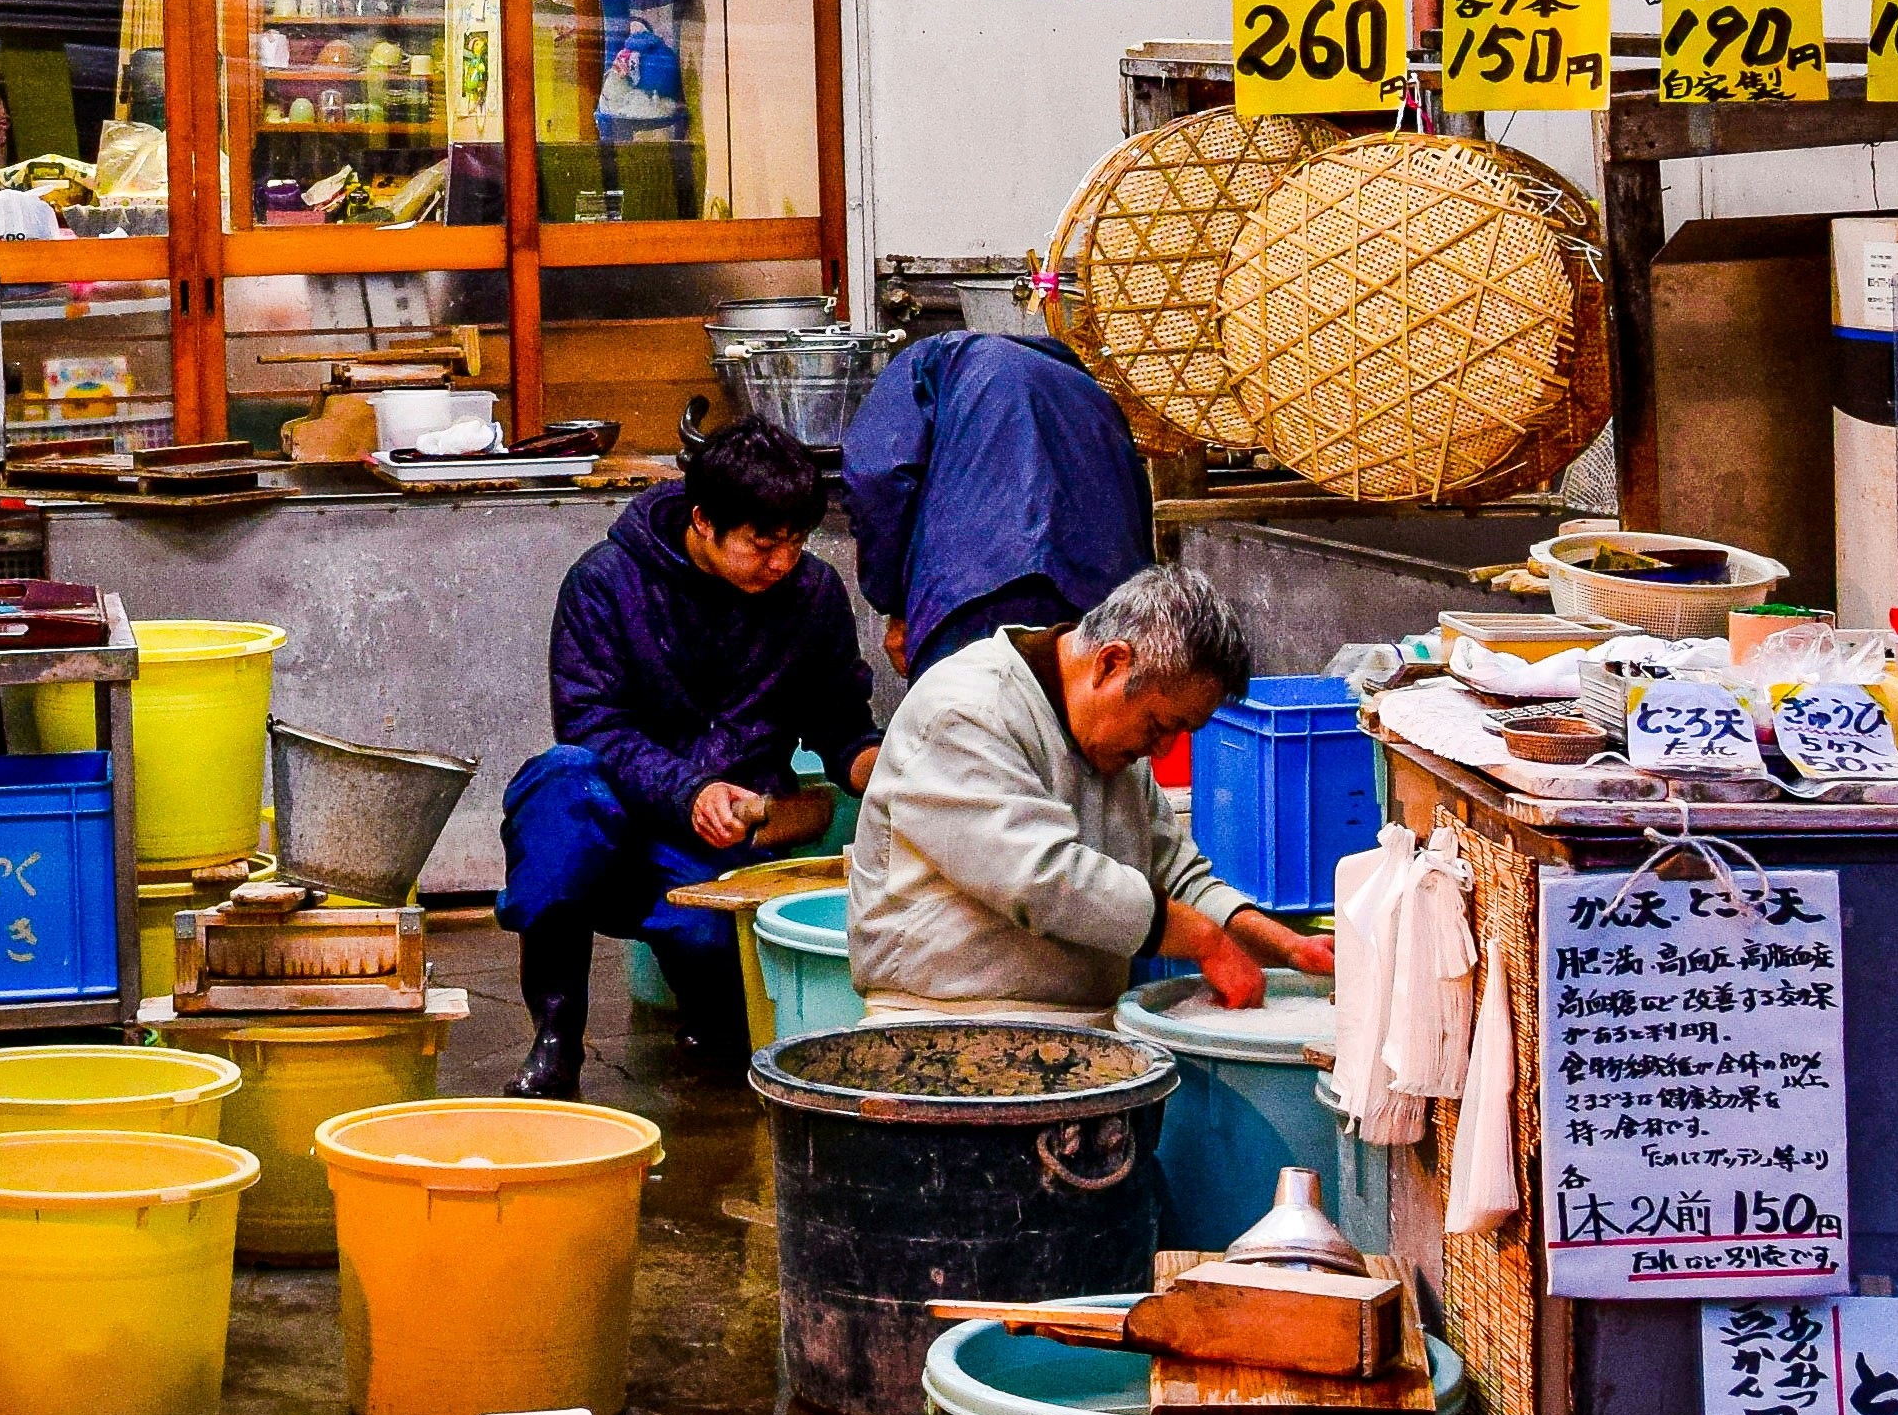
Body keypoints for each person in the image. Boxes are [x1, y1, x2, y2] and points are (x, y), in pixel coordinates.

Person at [502, 418, 877, 1096]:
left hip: (725, 842)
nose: (783, 561)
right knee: (559, 786)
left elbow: (840, 722)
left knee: (724, 1023)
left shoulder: (812, 595)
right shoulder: (605, 582)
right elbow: (593, 724)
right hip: (615, 820)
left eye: (797, 541)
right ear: (703, 520)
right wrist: (690, 790)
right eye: (763, 543)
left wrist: (879, 765)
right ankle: (556, 1038)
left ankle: (712, 1020)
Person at [845, 560, 1327, 1017]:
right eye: (1160, 725)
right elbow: (1039, 878)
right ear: (1111, 663)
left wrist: (1287, 946)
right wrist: (1202, 939)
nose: (1162, 750)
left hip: (1083, 1024)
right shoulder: (964, 710)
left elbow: (1175, 876)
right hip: (944, 1022)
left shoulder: (1115, 744)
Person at [837, 323, 1154, 678]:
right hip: (1102, 610)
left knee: (963, 725)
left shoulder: (933, 359)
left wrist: (894, 603)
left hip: (971, 597)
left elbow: (877, 477)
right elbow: (1138, 510)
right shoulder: (1091, 393)